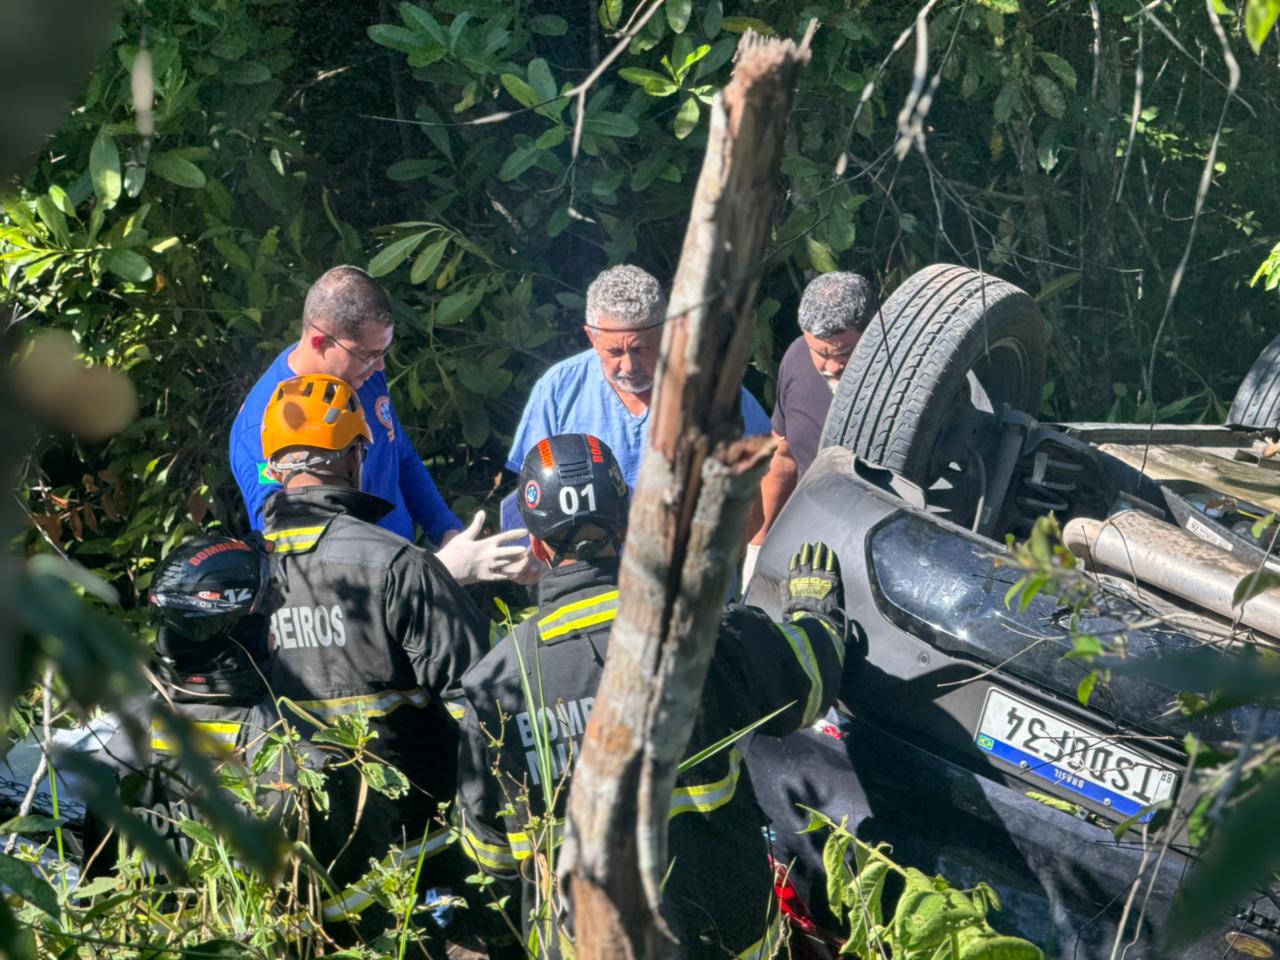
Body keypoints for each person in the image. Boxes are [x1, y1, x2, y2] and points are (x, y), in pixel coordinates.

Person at [456, 433, 849, 957]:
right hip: (727, 940)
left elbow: (491, 860)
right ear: (627, 523)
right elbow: (811, 680)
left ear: (536, 545)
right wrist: (815, 613)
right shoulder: (702, 631)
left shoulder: (495, 685)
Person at [258, 373, 496, 930]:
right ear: (353, 455)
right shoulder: (397, 564)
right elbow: (482, 702)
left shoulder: (249, 572)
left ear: (276, 467)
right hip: (424, 851)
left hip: (308, 865)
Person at [83, 535, 290, 876]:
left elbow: (96, 891)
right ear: (244, 636)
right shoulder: (285, 750)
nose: (272, 638)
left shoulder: (120, 745)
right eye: (266, 624)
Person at [230, 264, 461, 546]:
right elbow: (284, 541)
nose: (381, 365)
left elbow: (400, 455)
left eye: (384, 352)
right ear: (320, 341)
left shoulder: (363, 374)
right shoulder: (260, 424)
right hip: (352, 583)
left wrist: (447, 531)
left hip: (407, 565)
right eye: (370, 354)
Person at [506, 265, 773, 492]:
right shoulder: (558, 389)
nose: (629, 365)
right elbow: (533, 487)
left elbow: (769, 474)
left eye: (641, 349)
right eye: (614, 351)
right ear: (591, 337)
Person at [746, 272, 876, 581]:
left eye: (844, 352)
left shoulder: (906, 382)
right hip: (813, 542)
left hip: (877, 548)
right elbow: (784, 456)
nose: (831, 367)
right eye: (820, 353)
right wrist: (757, 545)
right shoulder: (795, 359)